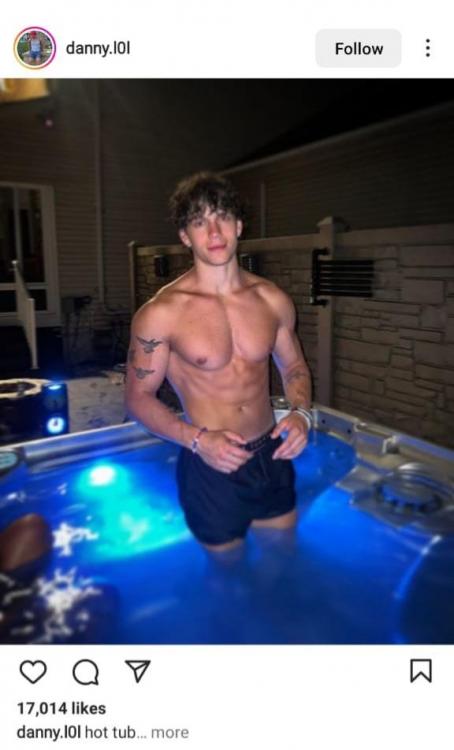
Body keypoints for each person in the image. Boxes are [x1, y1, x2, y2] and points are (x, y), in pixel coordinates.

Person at [125, 172, 312, 553]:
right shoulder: (161, 313)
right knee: (227, 574)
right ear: (185, 236)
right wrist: (196, 440)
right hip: (210, 462)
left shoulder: (272, 300)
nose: (213, 232)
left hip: (272, 454)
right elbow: (137, 398)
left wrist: (302, 415)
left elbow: (293, 367)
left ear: (238, 225)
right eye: (199, 222)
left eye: (222, 217)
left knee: (283, 558)